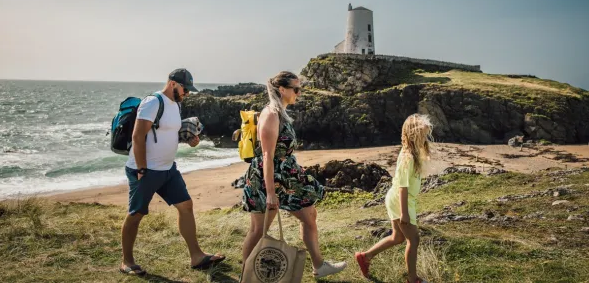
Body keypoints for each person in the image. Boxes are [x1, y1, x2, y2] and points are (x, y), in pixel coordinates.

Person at [241, 71, 347, 279]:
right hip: (267, 179)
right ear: (282, 90)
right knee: (258, 231)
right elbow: (267, 156)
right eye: (296, 89)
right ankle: (245, 276)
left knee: (309, 215)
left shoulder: (281, 113)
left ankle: (319, 266)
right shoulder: (272, 114)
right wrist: (271, 193)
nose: (299, 93)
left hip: (288, 177)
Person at [119, 68, 225, 276]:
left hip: (168, 169)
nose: (187, 93)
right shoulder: (152, 102)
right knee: (136, 214)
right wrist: (141, 168)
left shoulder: (175, 105)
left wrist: (189, 139)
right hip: (146, 170)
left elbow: (167, 133)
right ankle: (127, 262)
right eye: (185, 89)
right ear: (173, 84)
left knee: (186, 205)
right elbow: (138, 136)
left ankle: (196, 257)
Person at [355, 113, 433, 283]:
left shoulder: (412, 153)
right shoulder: (408, 157)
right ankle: (413, 279)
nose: (424, 138)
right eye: (422, 135)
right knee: (414, 239)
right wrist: (404, 213)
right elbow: (402, 187)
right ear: (413, 135)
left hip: (398, 199)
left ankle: (365, 257)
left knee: (397, 237)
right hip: (400, 200)